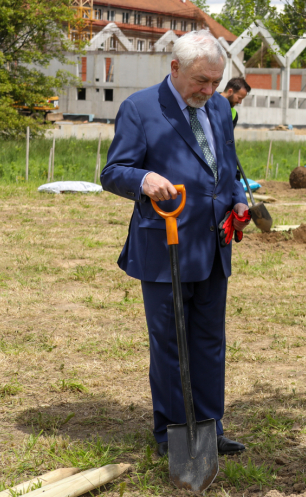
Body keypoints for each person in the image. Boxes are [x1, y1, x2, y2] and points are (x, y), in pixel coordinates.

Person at [101, 30, 249, 457]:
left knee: (208, 341)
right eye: (201, 81)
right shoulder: (141, 109)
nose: (209, 91)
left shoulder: (219, 107)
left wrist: (237, 201)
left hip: (213, 246)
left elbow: (228, 165)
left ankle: (209, 427)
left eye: (215, 82)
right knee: (169, 343)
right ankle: (170, 432)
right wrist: (144, 180)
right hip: (164, 246)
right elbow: (114, 171)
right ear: (175, 69)